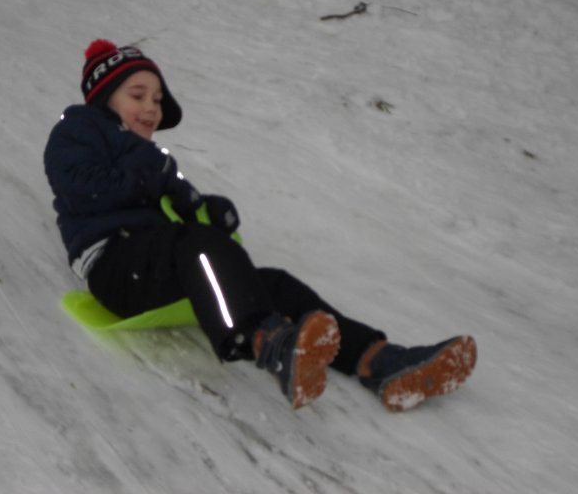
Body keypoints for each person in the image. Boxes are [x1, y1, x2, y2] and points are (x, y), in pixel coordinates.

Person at [44, 39, 477, 411]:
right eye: (138, 95)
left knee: (273, 283)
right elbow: (81, 187)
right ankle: (266, 342)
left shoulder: (154, 160)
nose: (151, 108)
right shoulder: (78, 128)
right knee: (196, 243)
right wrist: (152, 181)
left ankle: (380, 362)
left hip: (159, 264)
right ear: (104, 98)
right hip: (116, 266)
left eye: (157, 100)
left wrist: (207, 210)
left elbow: (183, 212)